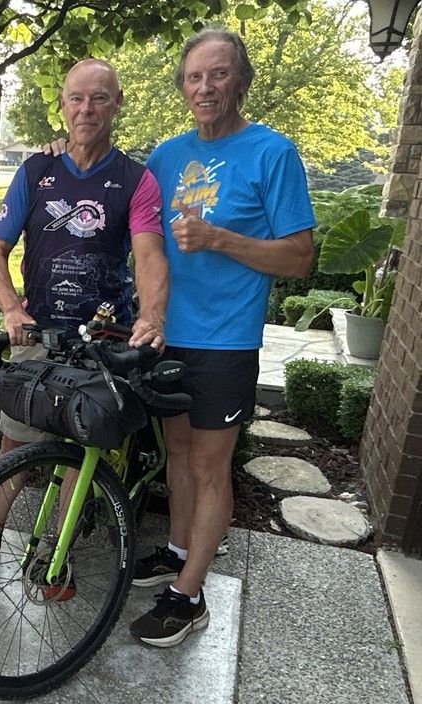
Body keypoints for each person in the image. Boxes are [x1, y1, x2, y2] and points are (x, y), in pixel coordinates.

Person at [127, 28, 314, 647]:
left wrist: (218, 240)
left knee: (211, 468)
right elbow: (126, 207)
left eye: (219, 74)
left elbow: (299, 260)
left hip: (224, 340)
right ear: (183, 86)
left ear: (242, 81)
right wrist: (58, 149)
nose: (205, 87)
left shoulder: (272, 153)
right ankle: (179, 550)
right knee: (176, 456)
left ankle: (191, 595)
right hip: (166, 332)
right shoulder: (166, 155)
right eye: (193, 77)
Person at [0, 59, 168, 589]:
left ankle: (56, 552)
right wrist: (10, 308)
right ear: (64, 104)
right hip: (40, 328)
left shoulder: (136, 180)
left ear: (116, 103)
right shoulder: (34, 172)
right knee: (15, 443)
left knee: (80, 449)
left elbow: (148, 254)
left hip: (100, 335)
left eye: (98, 98)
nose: (86, 109)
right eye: (76, 98)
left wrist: (151, 317)